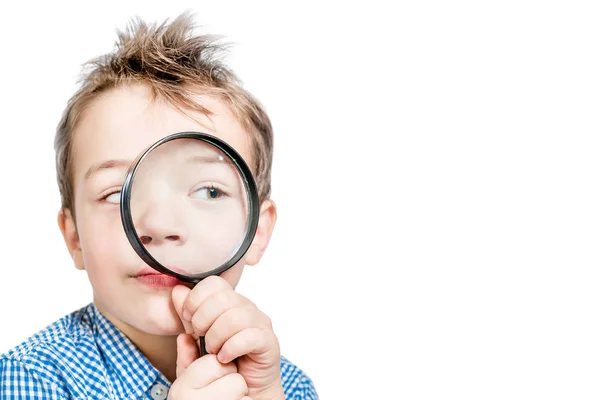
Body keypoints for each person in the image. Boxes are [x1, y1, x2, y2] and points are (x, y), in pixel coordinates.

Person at [0, 12, 318, 400]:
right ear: (74, 237)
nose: (160, 225)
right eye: (116, 194)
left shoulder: (286, 386)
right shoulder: (28, 380)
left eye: (208, 191)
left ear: (258, 230)